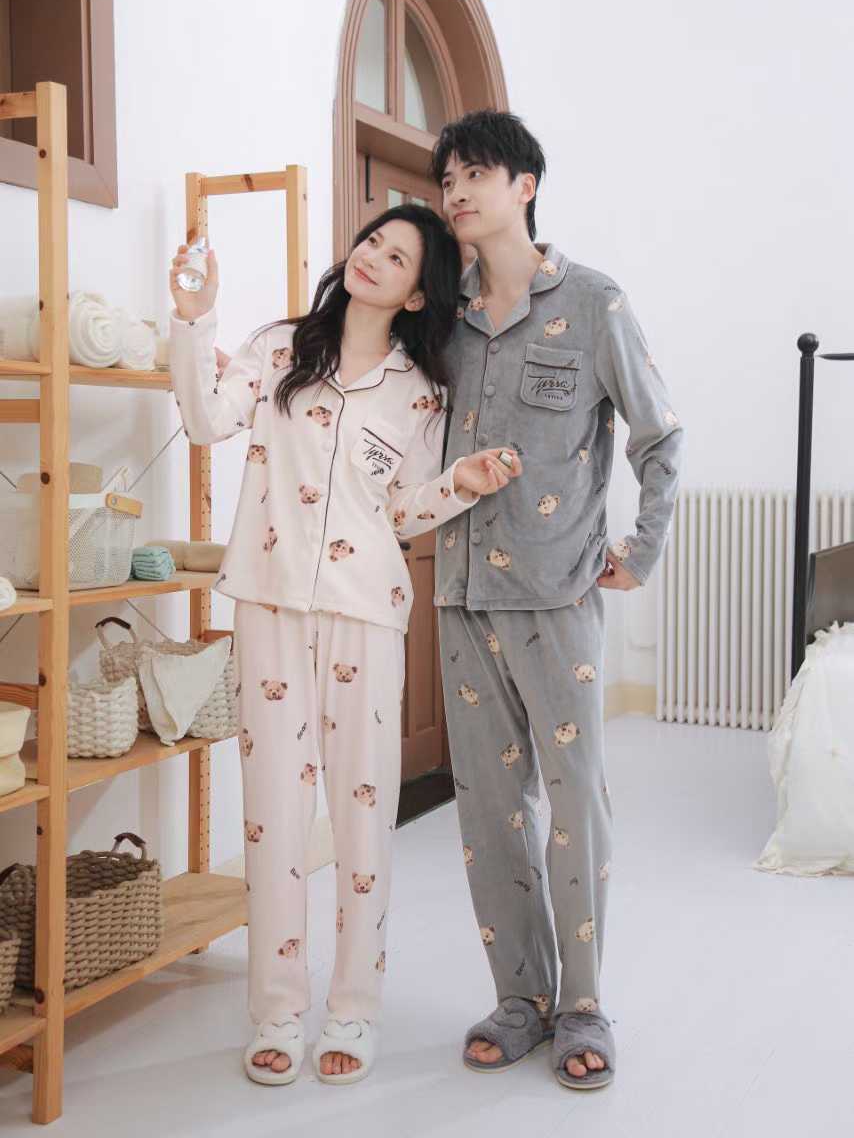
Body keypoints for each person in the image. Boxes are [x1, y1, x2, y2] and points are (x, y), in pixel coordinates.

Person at [167, 205, 522, 1087]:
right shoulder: (280, 348)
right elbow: (206, 421)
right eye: (372, 242)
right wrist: (194, 318)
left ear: (416, 294)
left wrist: (461, 484)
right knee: (273, 816)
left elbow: (400, 510)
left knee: (362, 818)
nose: (374, 258)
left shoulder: (420, 391)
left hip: (365, 611)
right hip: (269, 604)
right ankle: (276, 1012)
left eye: (397, 258)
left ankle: (354, 1010)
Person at [430, 110, 683, 1090]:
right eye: (447, 177)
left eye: (475, 173)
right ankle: (519, 998)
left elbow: (659, 435)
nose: (456, 191)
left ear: (524, 185)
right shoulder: (441, 319)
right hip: (461, 595)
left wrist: (641, 549)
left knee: (575, 801)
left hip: (557, 593)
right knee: (489, 809)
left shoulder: (592, 300)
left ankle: (582, 1003)